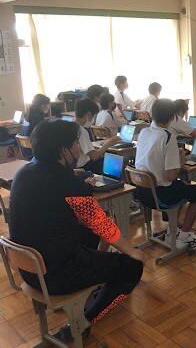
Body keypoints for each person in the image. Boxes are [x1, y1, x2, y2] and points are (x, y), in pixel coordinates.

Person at [9, 119, 143, 343]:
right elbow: (101, 224)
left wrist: (77, 178)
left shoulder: (24, 172)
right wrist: (132, 251)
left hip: (29, 270)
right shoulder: (69, 185)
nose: (79, 148)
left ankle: (91, 286)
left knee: (88, 233)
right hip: (57, 276)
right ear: (64, 150)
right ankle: (82, 322)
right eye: (76, 143)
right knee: (132, 267)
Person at [135, 98, 196, 248]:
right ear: (172, 117)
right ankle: (184, 236)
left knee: (182, 185)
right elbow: (170, 176)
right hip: (161, 196)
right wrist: (180, 161)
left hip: (142, 193)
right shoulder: (167, 137)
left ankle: (171, 231)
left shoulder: (144, 132)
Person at [75, 98, 120, 173]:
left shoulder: (70, 127)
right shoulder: (81, 131)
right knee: (114, 160)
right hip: (85, 167)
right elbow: (94, 157)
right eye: (94, 116)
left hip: (74, 166)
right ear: (89, 115)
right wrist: (109, 142)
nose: (93, 120)